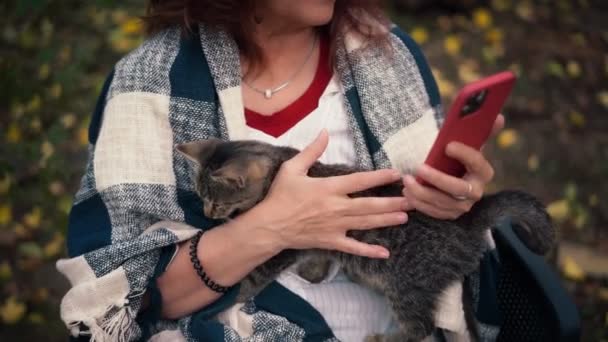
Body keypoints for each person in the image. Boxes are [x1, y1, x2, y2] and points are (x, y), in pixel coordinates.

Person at [57, 0, 505, 341]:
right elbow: (128, 301)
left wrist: (457, 197)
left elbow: (433, 229)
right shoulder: (149, 83)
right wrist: (276, 228)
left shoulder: (387, 52)